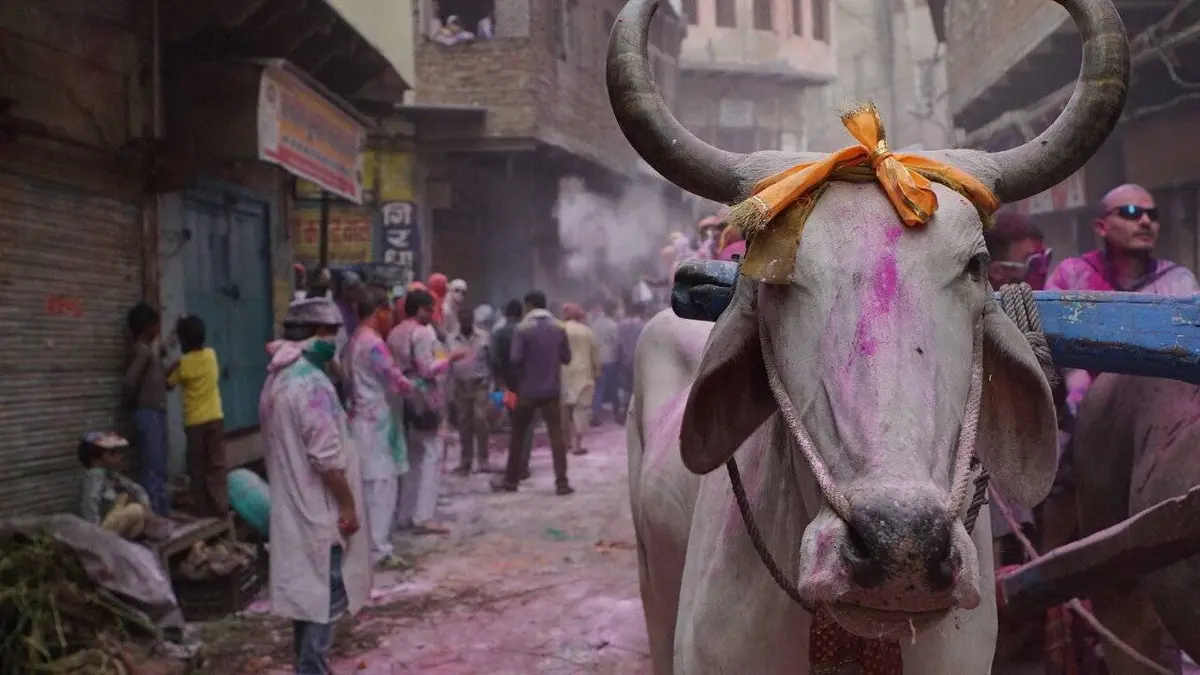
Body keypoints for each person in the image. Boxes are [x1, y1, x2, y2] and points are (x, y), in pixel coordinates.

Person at [259, 298, 369, 675]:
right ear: (314, 335)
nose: (333, 342)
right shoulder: (310, 384)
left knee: (306, 600)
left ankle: (308, 666)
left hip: (293, 507)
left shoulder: (277, 378)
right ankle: (312, 669)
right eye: (330, 334)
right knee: (324, 595)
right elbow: (326, 459)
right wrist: (348, 506)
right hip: (319, 509)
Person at [981, 212, 1050, 567]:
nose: (1043, 269)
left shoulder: (1045, 307)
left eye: (1045, 259)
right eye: (1033, 262)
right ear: (995, 271)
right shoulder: (977, 314)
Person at [343, 286, 415, 568]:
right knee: (381, 485)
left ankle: (371, 545)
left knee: (368, 484)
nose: (390, 317)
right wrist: (416, 384)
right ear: (378, 312)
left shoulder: (353, 341)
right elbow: (395, 379)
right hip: (375, 421)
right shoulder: (373, 343)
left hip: (361, 417)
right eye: (387, 311)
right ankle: (379, 549)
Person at [388, 289, 465, 535]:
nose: (432, 314)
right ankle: (423, 516)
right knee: (431, 455)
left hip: (401, 398)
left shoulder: (395, 332)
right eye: (429, 309)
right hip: (423, 398)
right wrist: (451, 358)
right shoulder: (420, 332)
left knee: (410, 457)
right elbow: (427, 369)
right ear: (419, 308)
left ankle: (405, 514)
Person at [491, 290, 574, 495]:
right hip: (552, 390)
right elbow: (566, 358)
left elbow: (516, 359)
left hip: (527, 390)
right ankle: (561, 482)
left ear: (528, 306)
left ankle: (511, 480)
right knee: (556, 436)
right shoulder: (558, 327)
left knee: (518, 434)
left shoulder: (523, 328)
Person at [168, 315, 228, 517]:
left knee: (197, 467)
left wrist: (171, 354)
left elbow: (168, 383)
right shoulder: (211, 355)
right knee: (216, 464)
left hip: (195, 423)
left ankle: (202, 510)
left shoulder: (183, 364)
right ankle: (220, 506)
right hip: (215, 418)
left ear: (183, 341)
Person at [78, 432, 173, 540]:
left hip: (109, 524)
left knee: (132, 503)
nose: (120, 456)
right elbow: (90, 501)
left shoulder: (110, 474)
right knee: (135, 510)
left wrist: (148, 510)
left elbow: (136, 488)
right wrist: (94, 533)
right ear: (102, 456)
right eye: (114, 452)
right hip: (99, 530)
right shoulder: (95, 474)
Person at [124, 302, 170, 516]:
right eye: (156, 326)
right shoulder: (141, 351)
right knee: (152, 467)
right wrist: (135, 403)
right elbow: (129, 382)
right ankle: (153, 515)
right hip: (148, 413)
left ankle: (160, 510)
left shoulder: (148, 351)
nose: (158, 331)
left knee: (158, 465)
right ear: (147, 327)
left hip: (155, 412)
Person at [490, 300, 535, 480]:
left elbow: (494, 359)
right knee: (527, 425)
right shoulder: (527, 331)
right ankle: (522, 464)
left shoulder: (499, 333)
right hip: (528, 385)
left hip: (509, 385)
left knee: (514, 423)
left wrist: (499, 382)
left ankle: (514, 463)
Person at [448, 306, 494, 475]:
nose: (466, 322)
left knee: (480, 419)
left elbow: (491, 359)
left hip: (480, 383)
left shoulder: (484, 337)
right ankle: (466, 461)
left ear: (473, 320)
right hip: (460, 385)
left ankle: (483, 460)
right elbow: (447, 362)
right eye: (463, 319)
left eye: (469, 319)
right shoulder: (451, 338)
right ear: (459, 320)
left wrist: (494, 383)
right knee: (464, 423)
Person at [561, 303, 600, 456]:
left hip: (563, 373)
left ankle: (565, 443)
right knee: (581, 411)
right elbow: (594, 354)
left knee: (564, 410)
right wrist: (597, 370)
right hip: (584, 375)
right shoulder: (587, 332)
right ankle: (578, 445)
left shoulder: (559, 329)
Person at [588, 299, 620, 426]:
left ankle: (595, 413)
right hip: (611, 359)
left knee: (599, 387)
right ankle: (617, 413)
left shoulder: (595, 324)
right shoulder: (613, 325)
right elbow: (617, 343)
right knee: (613, 387)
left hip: (597, 359)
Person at [615, 303, 647, 424]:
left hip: (624, 361)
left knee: (624, 388)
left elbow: (618, 344)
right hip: (638, 361)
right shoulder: (643, 326)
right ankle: (636, 415)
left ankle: (623, 414)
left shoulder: (621, 325)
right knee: (637, 388)